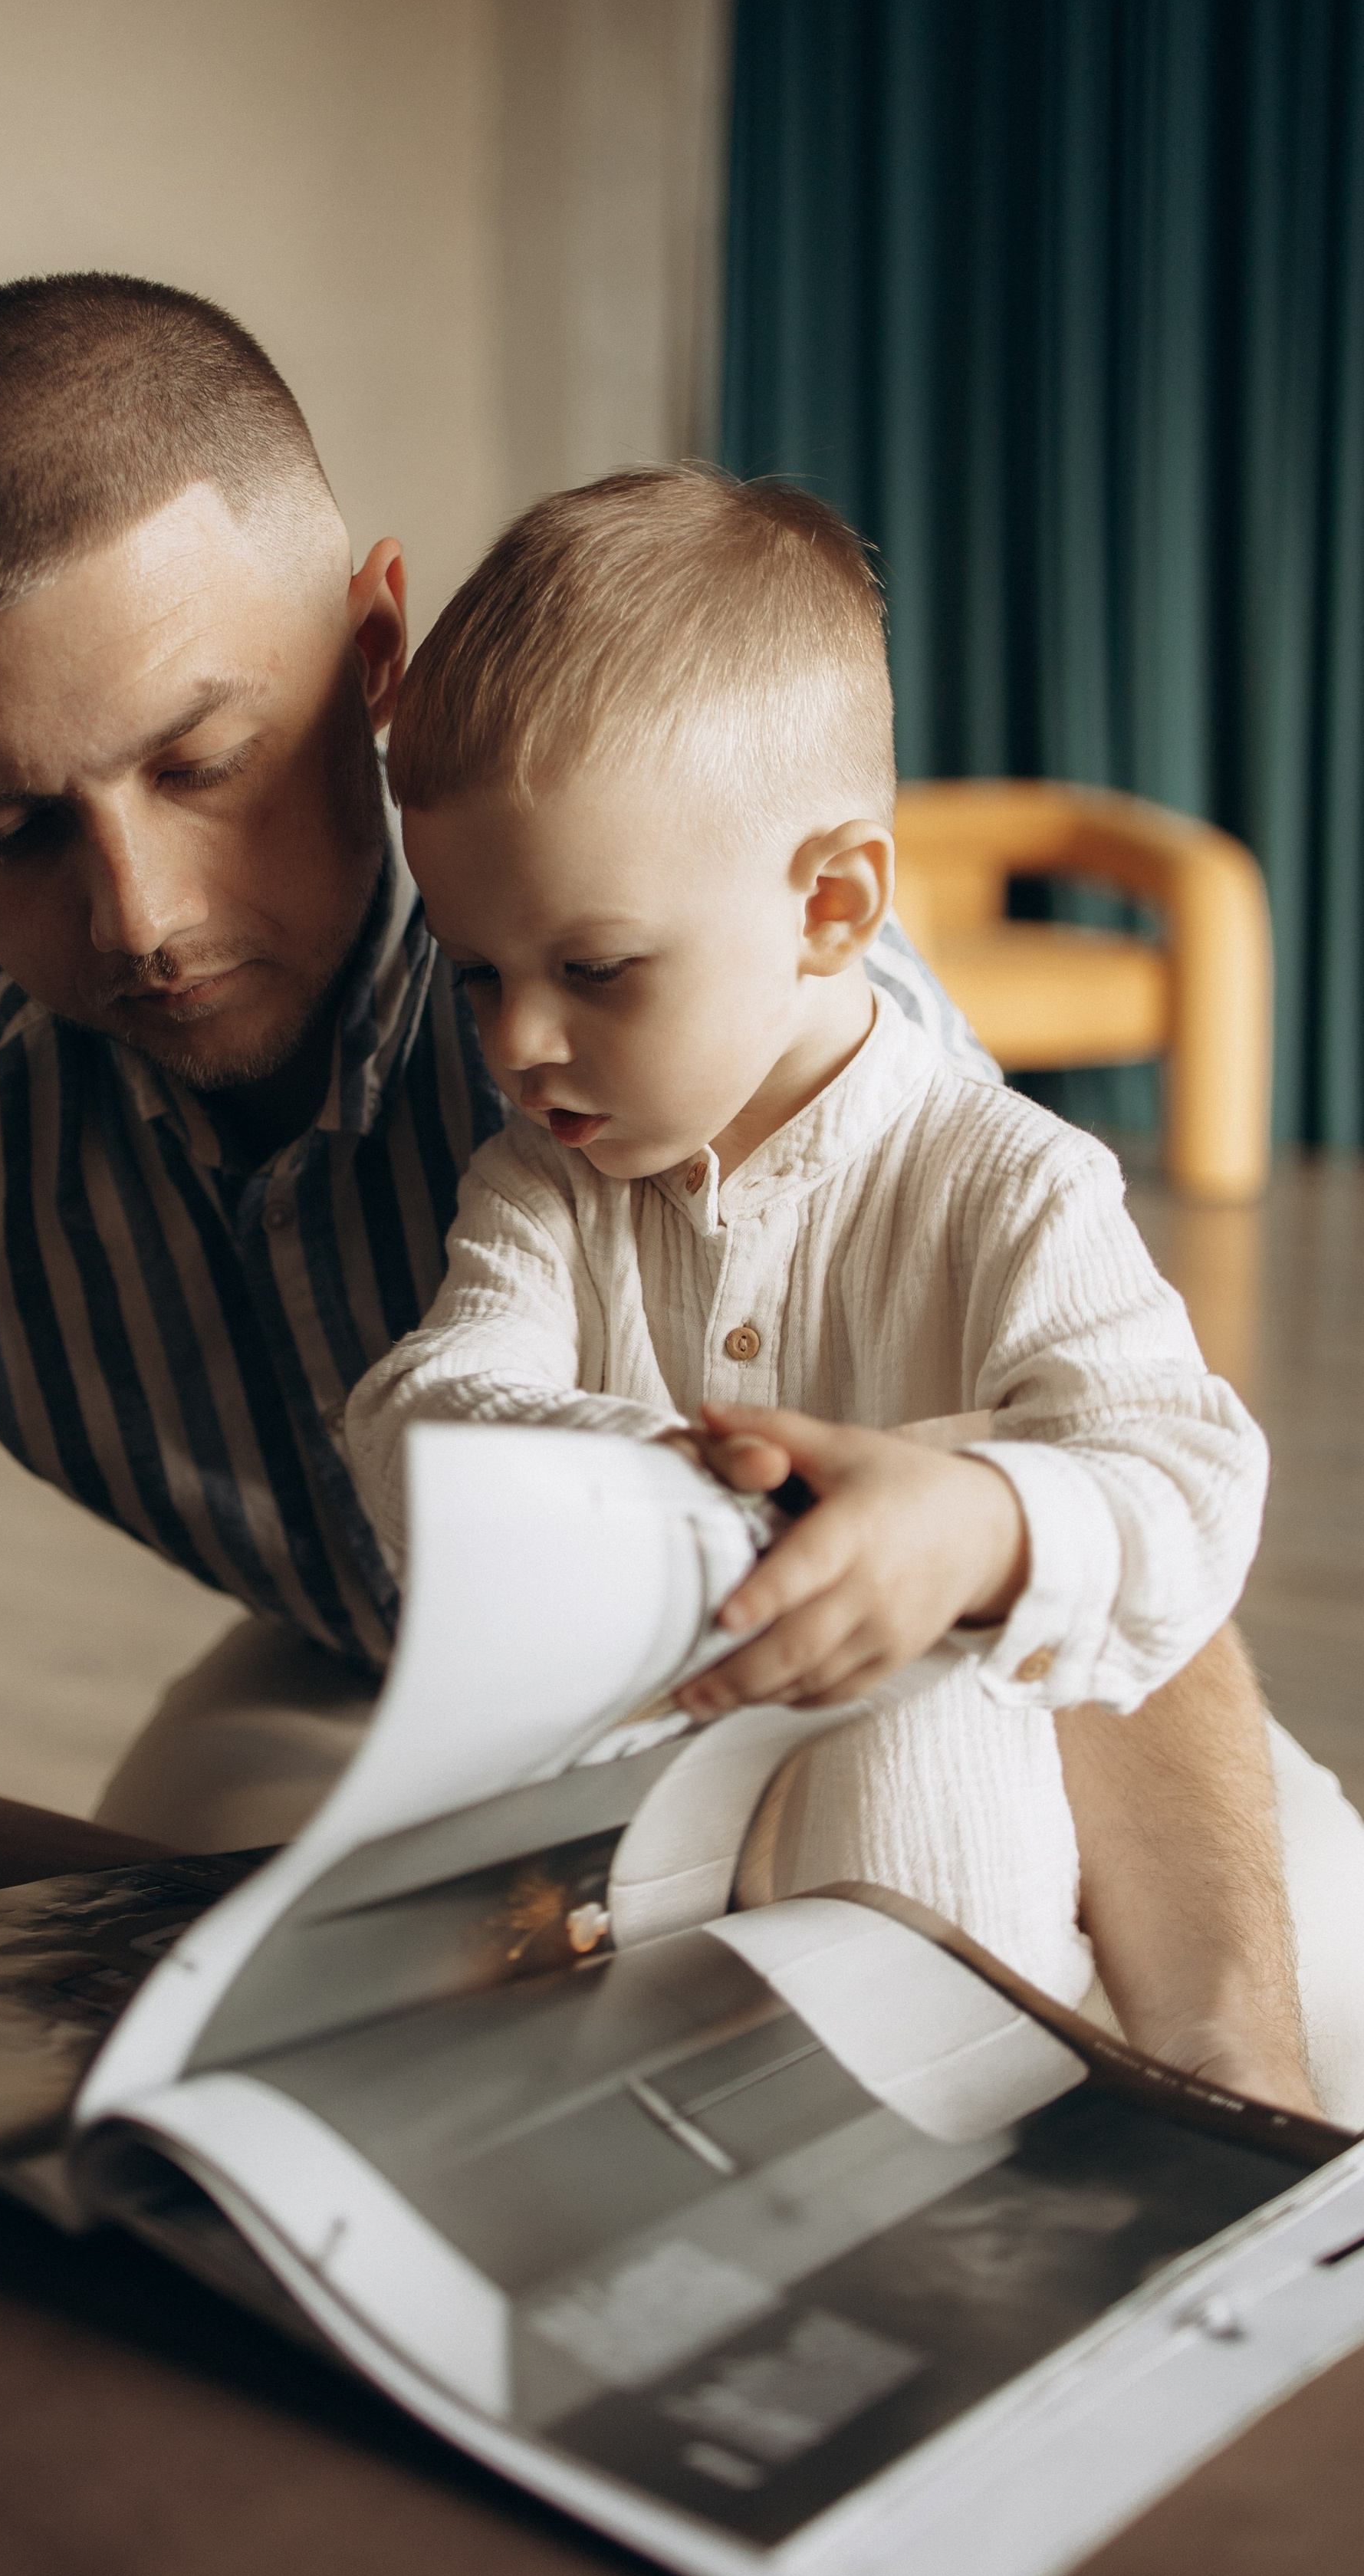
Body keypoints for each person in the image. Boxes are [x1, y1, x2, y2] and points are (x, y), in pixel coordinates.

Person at [0, 275, 1349, 2118]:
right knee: (157, 1973)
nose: (138, 922)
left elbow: (1117, 1574)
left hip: (916, 1673)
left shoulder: (699, 986)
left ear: (374, 656)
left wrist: (1230, 2056)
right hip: (401, 1673)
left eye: (205, 762)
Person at [343, 466, 1356, 2110]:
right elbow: (416, 1408)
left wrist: (980, 1525)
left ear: (830, 908)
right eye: (476, 972)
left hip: (954, 1922)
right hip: (642, 1908)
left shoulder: (1008, 1179)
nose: (515, 1043)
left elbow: (1183, 1476)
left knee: (925, 1717)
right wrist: (655, 1485)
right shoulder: (534, 1191)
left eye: (591, 970)